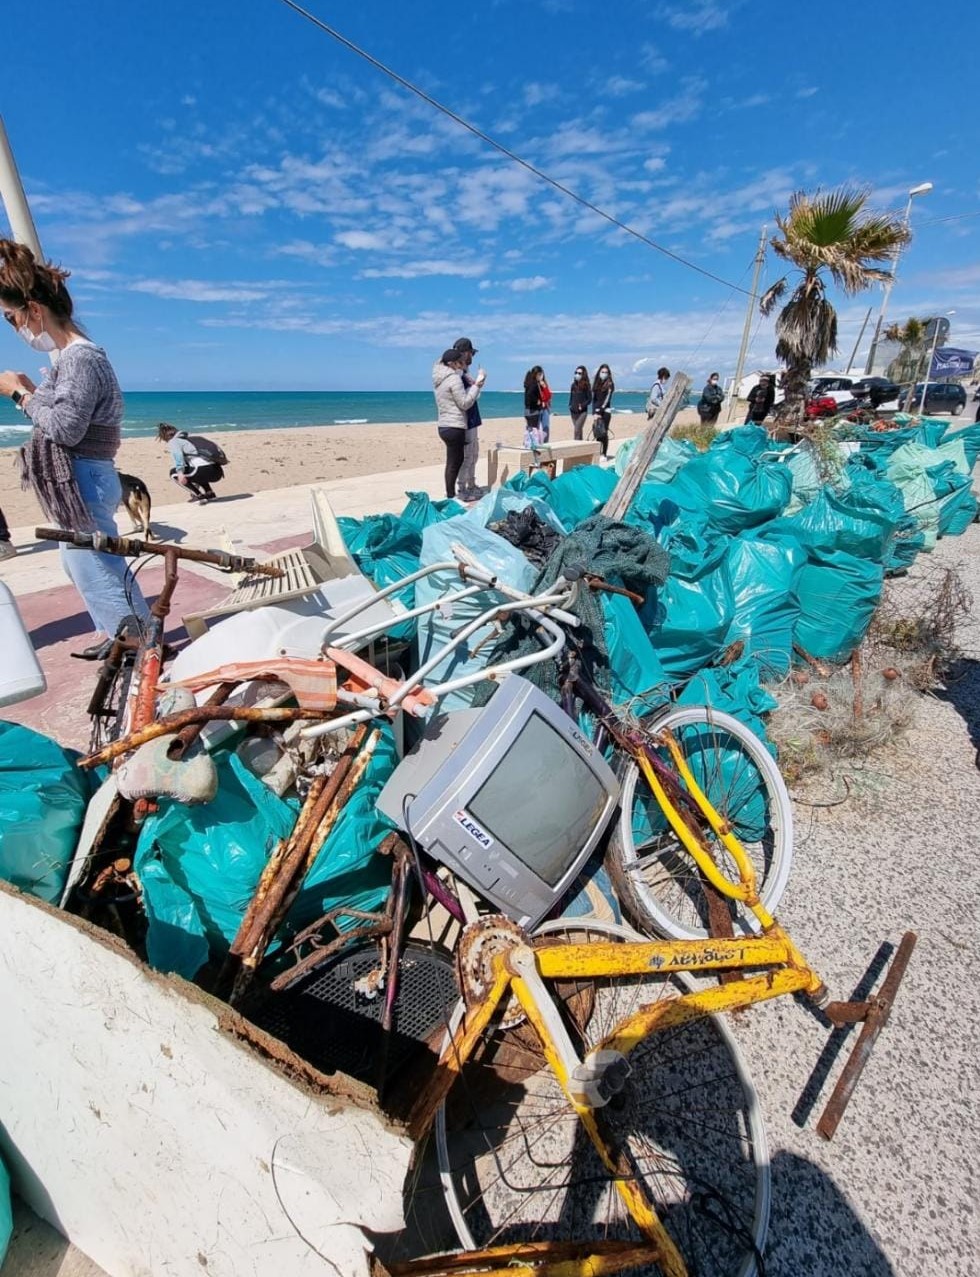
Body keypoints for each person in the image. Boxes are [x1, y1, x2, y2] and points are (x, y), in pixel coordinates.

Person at [0, 239, 148, 660]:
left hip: (85, 474)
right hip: (86, 473)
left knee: (96, 566)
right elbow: (65, 415)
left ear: (34, 310)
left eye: (11, 319)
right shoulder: (71, 358)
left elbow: (64, 428)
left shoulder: (81, 358)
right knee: (83, 563)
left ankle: (136, 646)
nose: (13, 328)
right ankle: (120, 634)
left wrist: (18, 395)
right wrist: (32, 391)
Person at [433, 348, 484, 499]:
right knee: (457, 462)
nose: (462, 366)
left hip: (443, 425)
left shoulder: (439, 379)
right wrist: (477, 385)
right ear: (452, 363)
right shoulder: (453, 379)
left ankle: (451, 495)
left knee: (452, 462)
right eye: (459, 363)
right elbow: (464, 403)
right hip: (455, 426)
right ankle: (454, 495)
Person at [157, 423, 224, 501]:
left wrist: (180, 473)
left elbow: (178, 457)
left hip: (203, 471)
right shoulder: (193, 438)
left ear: (165, 436)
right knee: (195, 469)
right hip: (217, 472)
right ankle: (210, 493)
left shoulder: (174, 441)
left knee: (173, 473)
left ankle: (199, 495)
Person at [453, 336, 482, 500]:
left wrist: (477, 385)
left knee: (474, 453)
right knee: (466, 455)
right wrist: (477, 385)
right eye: (471, 353)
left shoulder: (465, 373)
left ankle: (470, 484)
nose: (472, 357)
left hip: (472, 417)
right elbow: (463, 399)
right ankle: (462, 488)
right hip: (465, 419)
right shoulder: (456, 374)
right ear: (464, 353)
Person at [591, 364, 614, 458]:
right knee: (597, 433)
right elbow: (594, 399)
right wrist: (594, 412)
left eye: (606, 372)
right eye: (602, 372)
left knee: (603, 433)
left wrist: (600, 412)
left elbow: (606, 400)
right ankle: (598, 452)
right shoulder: (596, 384)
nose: (604, 374)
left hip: (606, 412)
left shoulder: (610, 384)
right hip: (596, 412)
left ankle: (604, 453)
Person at [569, 365, 592, 440]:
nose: (577, 374)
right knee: (579, 431)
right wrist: (570, 405)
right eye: (576, 372)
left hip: (582, 412)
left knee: (577, 430)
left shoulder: (587, 386)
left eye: (579, 373)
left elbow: (589, 399)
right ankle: (581, 447)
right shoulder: (573, 385)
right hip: (573, 411)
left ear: (583, 375)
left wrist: (582, 405)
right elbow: (571, 397)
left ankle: (575, 447)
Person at [523, 366, 545, 445]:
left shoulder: (528, 383)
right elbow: (530, 395)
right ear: (537, 374)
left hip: (527, 410)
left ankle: (528, 443)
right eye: (540, 374)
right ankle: (532, 445)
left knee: (529, 429)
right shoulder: (534, 383)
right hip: (533, 410)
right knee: (534, 430)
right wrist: (537, 401)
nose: (541, 376)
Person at [538, 369, 553, 443]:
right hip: (537, 409)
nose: (540, 376)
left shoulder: (544, 384)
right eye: (538, 374)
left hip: (545, 409)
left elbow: (549, 395)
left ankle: (545, 443)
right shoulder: (534, 385)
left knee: (546, 428)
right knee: (536, 429)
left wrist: (544, 386)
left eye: (541, 374)